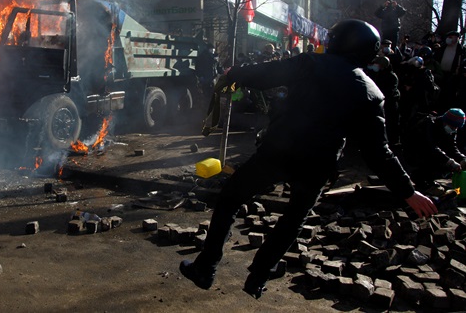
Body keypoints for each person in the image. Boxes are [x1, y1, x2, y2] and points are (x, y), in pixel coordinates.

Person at [179, 19, 437, 299]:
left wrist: (234, 73)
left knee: (230, 198)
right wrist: (408, 192)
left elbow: (266, 73)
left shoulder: (310, 63)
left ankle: (206, 268)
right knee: (293, 219)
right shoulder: (371, 94)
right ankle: (259, 276)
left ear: (337, 41)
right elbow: (378, 152)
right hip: (318, 165)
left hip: (278, 151)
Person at [401, 108, 466, 195]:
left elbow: (452, 147)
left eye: (456, 127)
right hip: (415, 152)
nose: (454, 129)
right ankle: (421, 180)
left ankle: (429, 180)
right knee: (442, 163)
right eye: (453, 127)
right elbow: (430, 147)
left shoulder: (451, 129)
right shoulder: (429, 124)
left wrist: (461, 158)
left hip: (433, 152)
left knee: (449, 167)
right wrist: (450, 161)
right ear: (446, 121)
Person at [366, 56, 401, 148]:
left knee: (390, 123)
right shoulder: (375, 74)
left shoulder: (392, 77)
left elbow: (389, 92)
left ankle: (392, 142)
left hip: (389, 104)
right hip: (379, 102)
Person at [434, 31, 464, 112]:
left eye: (451, 37)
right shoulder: (443, 48)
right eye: (448, 37)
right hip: (441, 73)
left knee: (448, 94)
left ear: (456, 39)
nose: (449, 39)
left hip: (452, 76)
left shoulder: (461, 50)